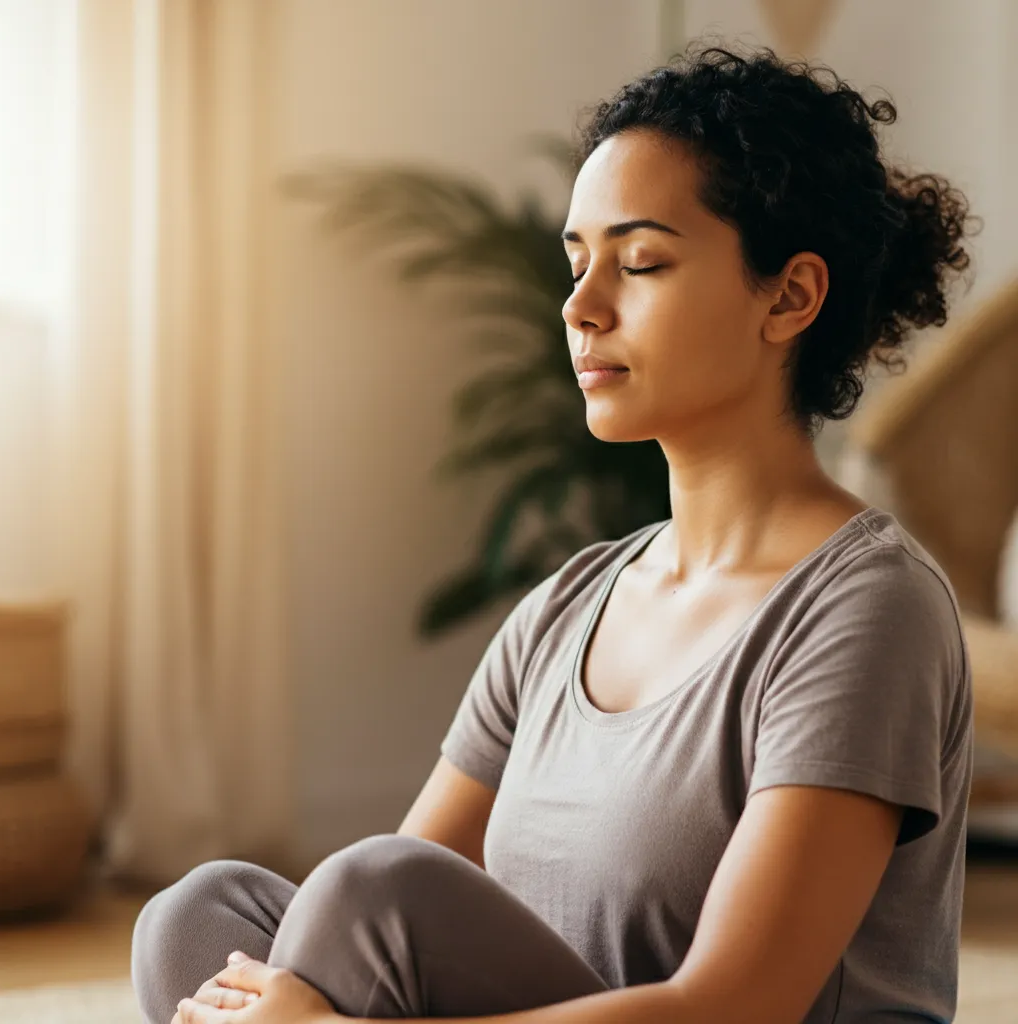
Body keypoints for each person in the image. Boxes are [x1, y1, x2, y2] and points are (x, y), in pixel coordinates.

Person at [135, 41, 977, 1024]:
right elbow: (373, 914)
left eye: (642, 261)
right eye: (575, 263)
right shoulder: (572, 602)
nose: (579, 307)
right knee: (201, 918)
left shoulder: (869, 609)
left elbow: (736, 1004)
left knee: (375, 899)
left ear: (788, 296)